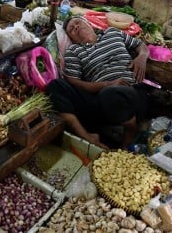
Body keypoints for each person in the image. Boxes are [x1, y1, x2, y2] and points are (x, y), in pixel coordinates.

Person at [46, 16, 151, 150]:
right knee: (55, 86)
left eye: (78, 23)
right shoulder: (74, 51)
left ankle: (130, 130)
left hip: (131, 92)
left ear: (89, 24)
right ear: (71, 38)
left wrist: (142, 57)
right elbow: (74, 82)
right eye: (72, 29)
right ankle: (87, 136)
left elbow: (140, 45)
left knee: (113, 94)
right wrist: (107, 84)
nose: (76, 27)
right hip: (100, 99)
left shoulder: (112, 33)